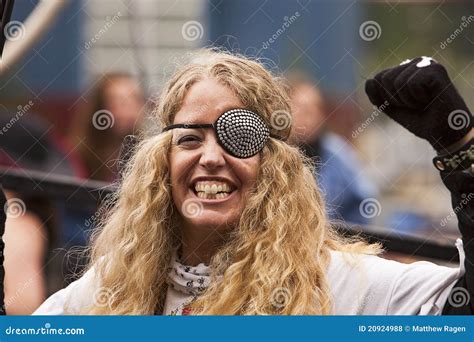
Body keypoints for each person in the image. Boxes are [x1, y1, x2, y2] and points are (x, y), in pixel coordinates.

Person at [33, 50, 473, 315]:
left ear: (275, 166)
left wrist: (462, 153)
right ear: (160, 163)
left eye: (238, 135)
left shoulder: (342, 286)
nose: (209, 157)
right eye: (189, 138)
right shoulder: (113, 290)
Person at [289, 78, 376, 225]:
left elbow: (365, 198)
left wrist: (348, 235)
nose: (304, 118)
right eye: (299, 110)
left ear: (321, 115)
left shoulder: (337, 151)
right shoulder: (277, 152)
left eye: (310, 111)